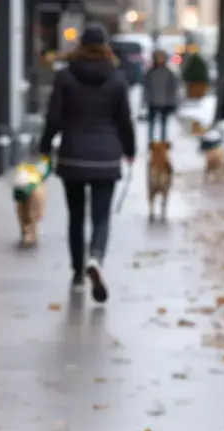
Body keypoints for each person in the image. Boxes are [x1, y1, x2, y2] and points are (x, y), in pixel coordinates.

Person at [38, 24, 136, 304]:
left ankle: (78, 272)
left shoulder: (65, 77)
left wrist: (45, 145)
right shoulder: (117, 79)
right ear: (106, 46)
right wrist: (129, 150)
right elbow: (124, 120)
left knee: (76, 216)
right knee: (102, 216)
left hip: (73, 154)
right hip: (106, 156)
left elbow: (53, 117)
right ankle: (95, 257)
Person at [143, 49, 181, 142]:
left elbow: (173, 89)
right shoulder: (150, 73)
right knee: (151, 124)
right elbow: (146, 88)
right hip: (153, 102)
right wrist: (145, 101)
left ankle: (162, 144)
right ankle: (151, 144)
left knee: (164, 125)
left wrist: (173, 102)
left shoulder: (169, 73)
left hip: (165, 103)